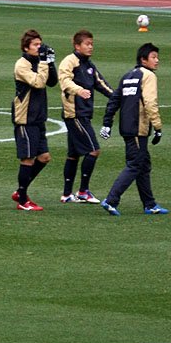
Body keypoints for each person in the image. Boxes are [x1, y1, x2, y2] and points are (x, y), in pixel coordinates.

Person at [99, 43, 168, 215]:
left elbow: (114, 100)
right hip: (138, 128)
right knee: (135, 164)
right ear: (143, 59)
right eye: (153, 57)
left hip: (127, 127)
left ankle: (149, 204)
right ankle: (111, 200)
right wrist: (158, 127)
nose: (157, 60)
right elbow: (150, 102)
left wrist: (107, 123)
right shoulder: (148, 76)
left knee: (143, 165)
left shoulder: (128, 75)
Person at [58, 30, 114, 204]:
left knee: (73, 155)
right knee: (93, 150)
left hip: (84, 114)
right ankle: (83, 191)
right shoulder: (69, 62)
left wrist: (117, 97)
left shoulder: (89, 65)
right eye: (87, 44)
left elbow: (101, 83)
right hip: (75, 114)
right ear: (77, 46)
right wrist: (78, 90)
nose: (91, 47)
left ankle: (67, 194)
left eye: (92, 44)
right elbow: (64, 81)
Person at [11, 29, 58, 211]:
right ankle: (23, 201)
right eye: (35, 45)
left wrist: (51, 63)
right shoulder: (21, 65)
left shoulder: (39, 61)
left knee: (44, 158)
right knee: (28, 159)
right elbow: (38, 82)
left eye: (40, 44)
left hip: (38, 117)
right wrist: (44, 62)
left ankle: (20, 191)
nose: (39, 47)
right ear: (26, 47)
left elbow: (52, 82)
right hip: (25, 118)